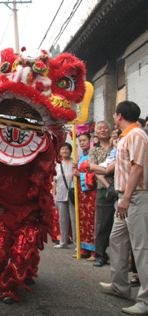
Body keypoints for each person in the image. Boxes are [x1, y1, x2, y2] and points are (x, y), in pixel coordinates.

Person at [99, 101, 148, 315]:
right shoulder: (125, 136)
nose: (113, 117)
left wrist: (127, 196)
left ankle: (145, 300)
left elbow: (138, 167)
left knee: (141, 248)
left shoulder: (137, 135)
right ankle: (119, 285)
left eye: (114, 114)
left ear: (119, 116)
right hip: (124, 197)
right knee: (117, 240)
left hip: (135, 197)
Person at [89, 121, 116, 267]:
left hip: (120, 187)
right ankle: (100, 254)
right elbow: (92, 167)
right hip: (103, 190)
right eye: (100, 129)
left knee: (119, 225)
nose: (103, 130)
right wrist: (107, 185)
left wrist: (104, 170)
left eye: (105, 127)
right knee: (103, 224)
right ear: (96, 134)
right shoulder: (94, 150)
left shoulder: (116, 146)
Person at [73, 133, 97, 259]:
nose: (82, 143)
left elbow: (94, 174)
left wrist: (80, 175)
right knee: (82, 220)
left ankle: (94, 251)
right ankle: (83, 248)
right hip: (81, 194)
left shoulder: (94, 154)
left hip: (91, 192)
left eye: (84, 140)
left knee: (91, 220)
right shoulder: (80, 156)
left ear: (90, 140)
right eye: (80, 141)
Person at [53, 143, 76, 249]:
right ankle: (63, 241)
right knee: (62, 219)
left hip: (72, 194)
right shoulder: (57, 164)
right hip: (60, 194)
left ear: (70, 151)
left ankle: (77, 242)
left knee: (74, 218)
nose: (65, 151)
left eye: (67, 149)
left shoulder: (74, 163)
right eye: (62, 149)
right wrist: (54, 194)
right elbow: (54, 181)